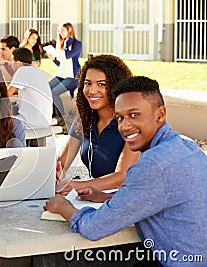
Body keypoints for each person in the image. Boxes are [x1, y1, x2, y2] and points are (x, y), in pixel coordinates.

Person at [44, 76, 207, 266]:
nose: (125, 126)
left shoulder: (152, 163)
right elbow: (165, 196)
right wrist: (109, 198)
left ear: (160, 114)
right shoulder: (187, 146)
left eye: (134, 115)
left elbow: (94, 227)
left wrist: (62, 207)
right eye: (120, 118)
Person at [56, 54, 140, 194]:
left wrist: (75, 186)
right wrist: (53, 176)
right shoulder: (84, 120)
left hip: (131, 198)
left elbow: (122, 176)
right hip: (95, 197)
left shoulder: (133, 123)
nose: (92, 90)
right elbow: (61, 163)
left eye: (102, 84)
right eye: (88, 83)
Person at [7, 47, 52, 130]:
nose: (10, 64)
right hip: (45, 121)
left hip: (30, 123)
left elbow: (6, 94)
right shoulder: (38, 71)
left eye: (12, 61)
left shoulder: (22, 71)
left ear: (18, 63)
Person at [46, 22, 81, 118]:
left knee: (54, 93)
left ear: (69, 30)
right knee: (46, 89)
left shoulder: (77, 44)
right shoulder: (61, 45)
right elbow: (61, 64)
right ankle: (51, 114)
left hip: (71, 77)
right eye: (59, 31)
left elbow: (68, 55)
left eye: (62, 30)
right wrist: (53, 59)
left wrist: (66, 43)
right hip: (61, 75)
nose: (60, 33)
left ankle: (62, 117)